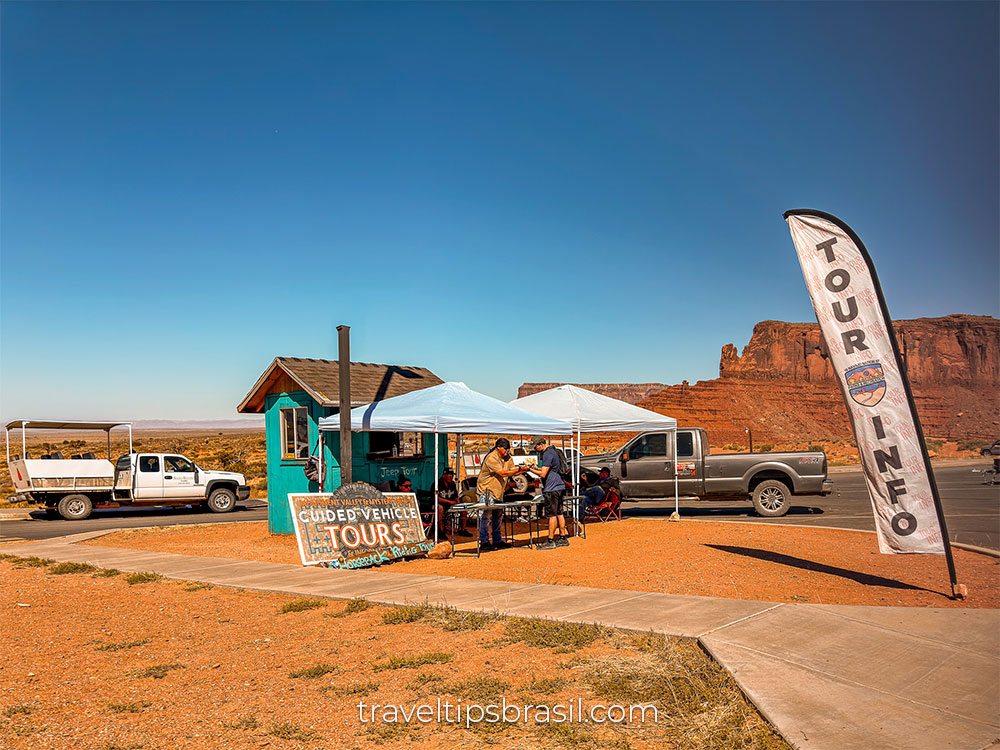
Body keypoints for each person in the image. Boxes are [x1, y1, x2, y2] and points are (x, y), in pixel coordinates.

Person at [476, 438, 527, 550]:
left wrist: (524, 469)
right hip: (487, 492)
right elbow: (503, 473)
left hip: (498, 493)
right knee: (485, 517)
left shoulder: (507, 458)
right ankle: (484, 542)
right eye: (505, 449)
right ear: (498, 448)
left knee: (498, 517)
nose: (507, 451)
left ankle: (497, 540)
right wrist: (518, 469)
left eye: (508, 449)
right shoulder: (491, 458)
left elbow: (513, 470)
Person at [525, 437, 570, 549]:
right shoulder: (553, 451)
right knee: (559, 513)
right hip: (559, 485)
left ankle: (550, 540)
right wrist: (535, 468)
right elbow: (547, 469)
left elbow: (543, 474)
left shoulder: (547, 454)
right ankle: (563, 537)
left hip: (551, 488)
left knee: (551, 515)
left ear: (541, 444)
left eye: (535, 447)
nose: (535, 449)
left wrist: (529, 469)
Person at [432, 468, 471, 538]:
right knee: (440, 508)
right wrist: (450, 502)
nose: (451, 477)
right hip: (438, 504)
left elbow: (455, 496)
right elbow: (435, 498)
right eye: (449, 475)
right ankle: (441, 531)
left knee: (463, 507)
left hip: (450, 505)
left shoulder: (452, 484)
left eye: (452, 475)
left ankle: (463, 529)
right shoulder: (437, 483)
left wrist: (458, 502)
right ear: (444, 475)